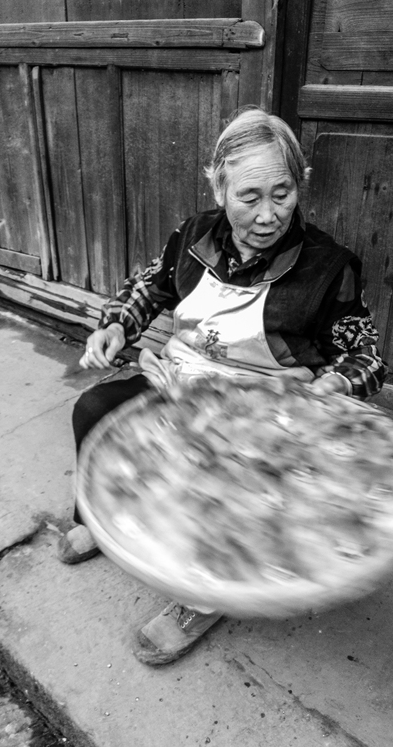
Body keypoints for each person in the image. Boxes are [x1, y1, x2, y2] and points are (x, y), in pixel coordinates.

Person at [57, 106, 387, 665]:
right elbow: (148, 287)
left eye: (282, 194)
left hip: (265, 411)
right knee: (94, 408)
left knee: (225, 479)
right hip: (183, 386)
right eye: (248, 196)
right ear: (219, 188)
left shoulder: (328, 266)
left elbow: (367, 356)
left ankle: (201, 598)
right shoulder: (193, 236)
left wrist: (332, 386)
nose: (268, 215)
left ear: (299, 185)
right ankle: (103, 520)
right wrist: (117, 325)